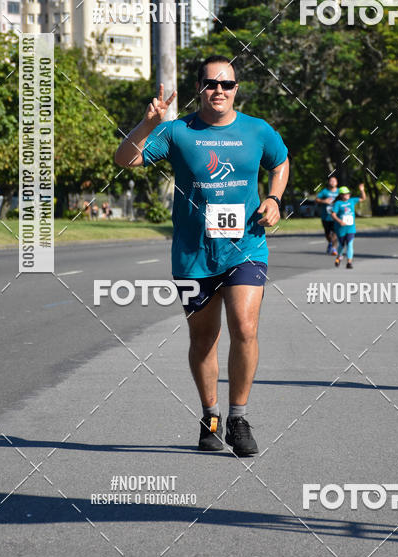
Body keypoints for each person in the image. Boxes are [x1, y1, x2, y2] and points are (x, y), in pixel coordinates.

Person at [115, 56, 289, 456]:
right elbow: (124, 159)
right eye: (211, 83)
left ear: (236, 89)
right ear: (199, 88)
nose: (219, 91)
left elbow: (280, 162)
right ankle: (209, 415)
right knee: (204, 338)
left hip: (246, 245)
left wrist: (275, 198)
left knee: (244, 328)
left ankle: (238, 417)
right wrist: (148, 124)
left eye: (227, 84)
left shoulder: (257, 130)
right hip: (194, 254)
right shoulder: (178, 132)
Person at [331, 184, 367, 268]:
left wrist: (362, 190)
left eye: (348, 193)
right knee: (341, 245)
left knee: (350, 244)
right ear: (341, 195)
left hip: (350, 227)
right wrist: (340, 221)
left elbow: (363, 198)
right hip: (341, 228)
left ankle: (349, 262)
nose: (347, 195)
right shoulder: (338, 203)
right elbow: (333, 214)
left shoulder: (352, 201)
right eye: (345, 194)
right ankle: (339, 256)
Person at [316, 176, 339, 254]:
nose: (332, 182)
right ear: (329, 182)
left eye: (334, 181)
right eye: (331, 181)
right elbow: (317, 199)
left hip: (336, 217)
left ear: (337, 183)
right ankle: (330, 243)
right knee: (327, 234)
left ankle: (334, 248)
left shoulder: (339, 191)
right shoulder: (324, 191)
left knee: (335, 233)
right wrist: (324, 201)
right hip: (326, 217)